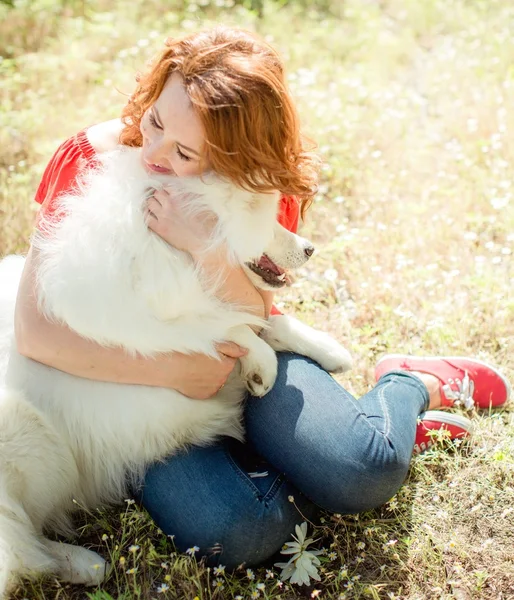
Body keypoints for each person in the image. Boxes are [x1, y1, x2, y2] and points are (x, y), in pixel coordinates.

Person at [14, 26, 510, 569]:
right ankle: (300, 462)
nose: (154, 152)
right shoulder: (89, 157)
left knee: (363, 470)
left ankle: (410, 385)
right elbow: (35, 332)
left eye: (184, 151)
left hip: (244, 345)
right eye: (155, 120)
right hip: (136, 386)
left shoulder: (253, 182)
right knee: (238, 533)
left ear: (234, 156)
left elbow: (255, 312)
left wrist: (207, 250)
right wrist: (172, 371)